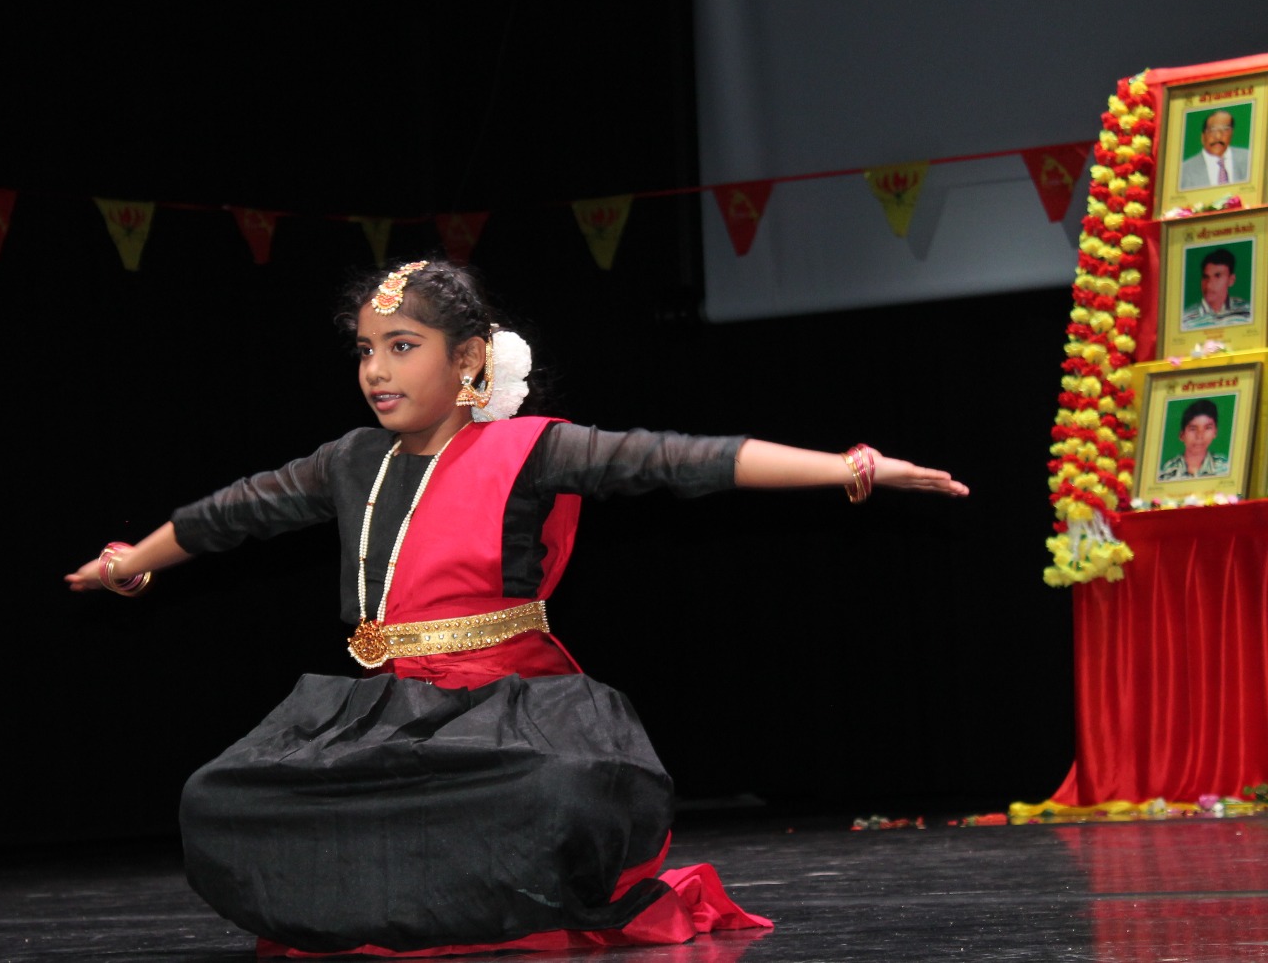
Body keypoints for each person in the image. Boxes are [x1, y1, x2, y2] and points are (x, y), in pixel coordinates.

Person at [65, 260, 969, 956]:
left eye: (402, 346)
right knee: (217, 798)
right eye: (366, 350)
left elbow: (680, 460)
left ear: (466, 360)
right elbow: (233, 513)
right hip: (381, 709)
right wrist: (130, 564)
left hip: (506, 705)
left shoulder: (530, 451)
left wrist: (848, 468)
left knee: (555, 791)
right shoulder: (349, 462)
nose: (376, 370)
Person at [1155, 398, 1230, 481]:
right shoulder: (1166, 472)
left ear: (1215, 432)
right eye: (1193, 429)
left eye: (1207, 428)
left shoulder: (1225, 467)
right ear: (1182, 435)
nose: (1200, 436)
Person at [1179, 247, 1253, 329]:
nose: (1209, 284)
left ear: (1231, 280)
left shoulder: (1248, 310)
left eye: (1217, 276)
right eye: (1205, 277)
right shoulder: (1185, 319)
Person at [1179, 109, 1252, 189]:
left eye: (1225, 129)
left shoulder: (1250, 159)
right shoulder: (1183, 171)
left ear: (1231, 134)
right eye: (1212, 130)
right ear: (1202, 137)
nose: (1218, 136)